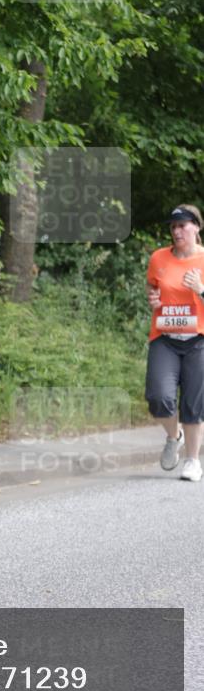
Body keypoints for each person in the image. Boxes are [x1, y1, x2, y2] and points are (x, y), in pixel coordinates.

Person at [145, 204, 204, 482]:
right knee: (158, 397)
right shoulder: (159, 257)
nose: (177, 231)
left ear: (196, 227)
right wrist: (153, 298)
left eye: (182, 225)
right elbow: (152, 286)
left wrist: (200, 290)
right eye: (173, 226)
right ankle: (174, 435)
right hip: (165, 339)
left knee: (193, 403)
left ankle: (193, 461)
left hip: (199, 340)